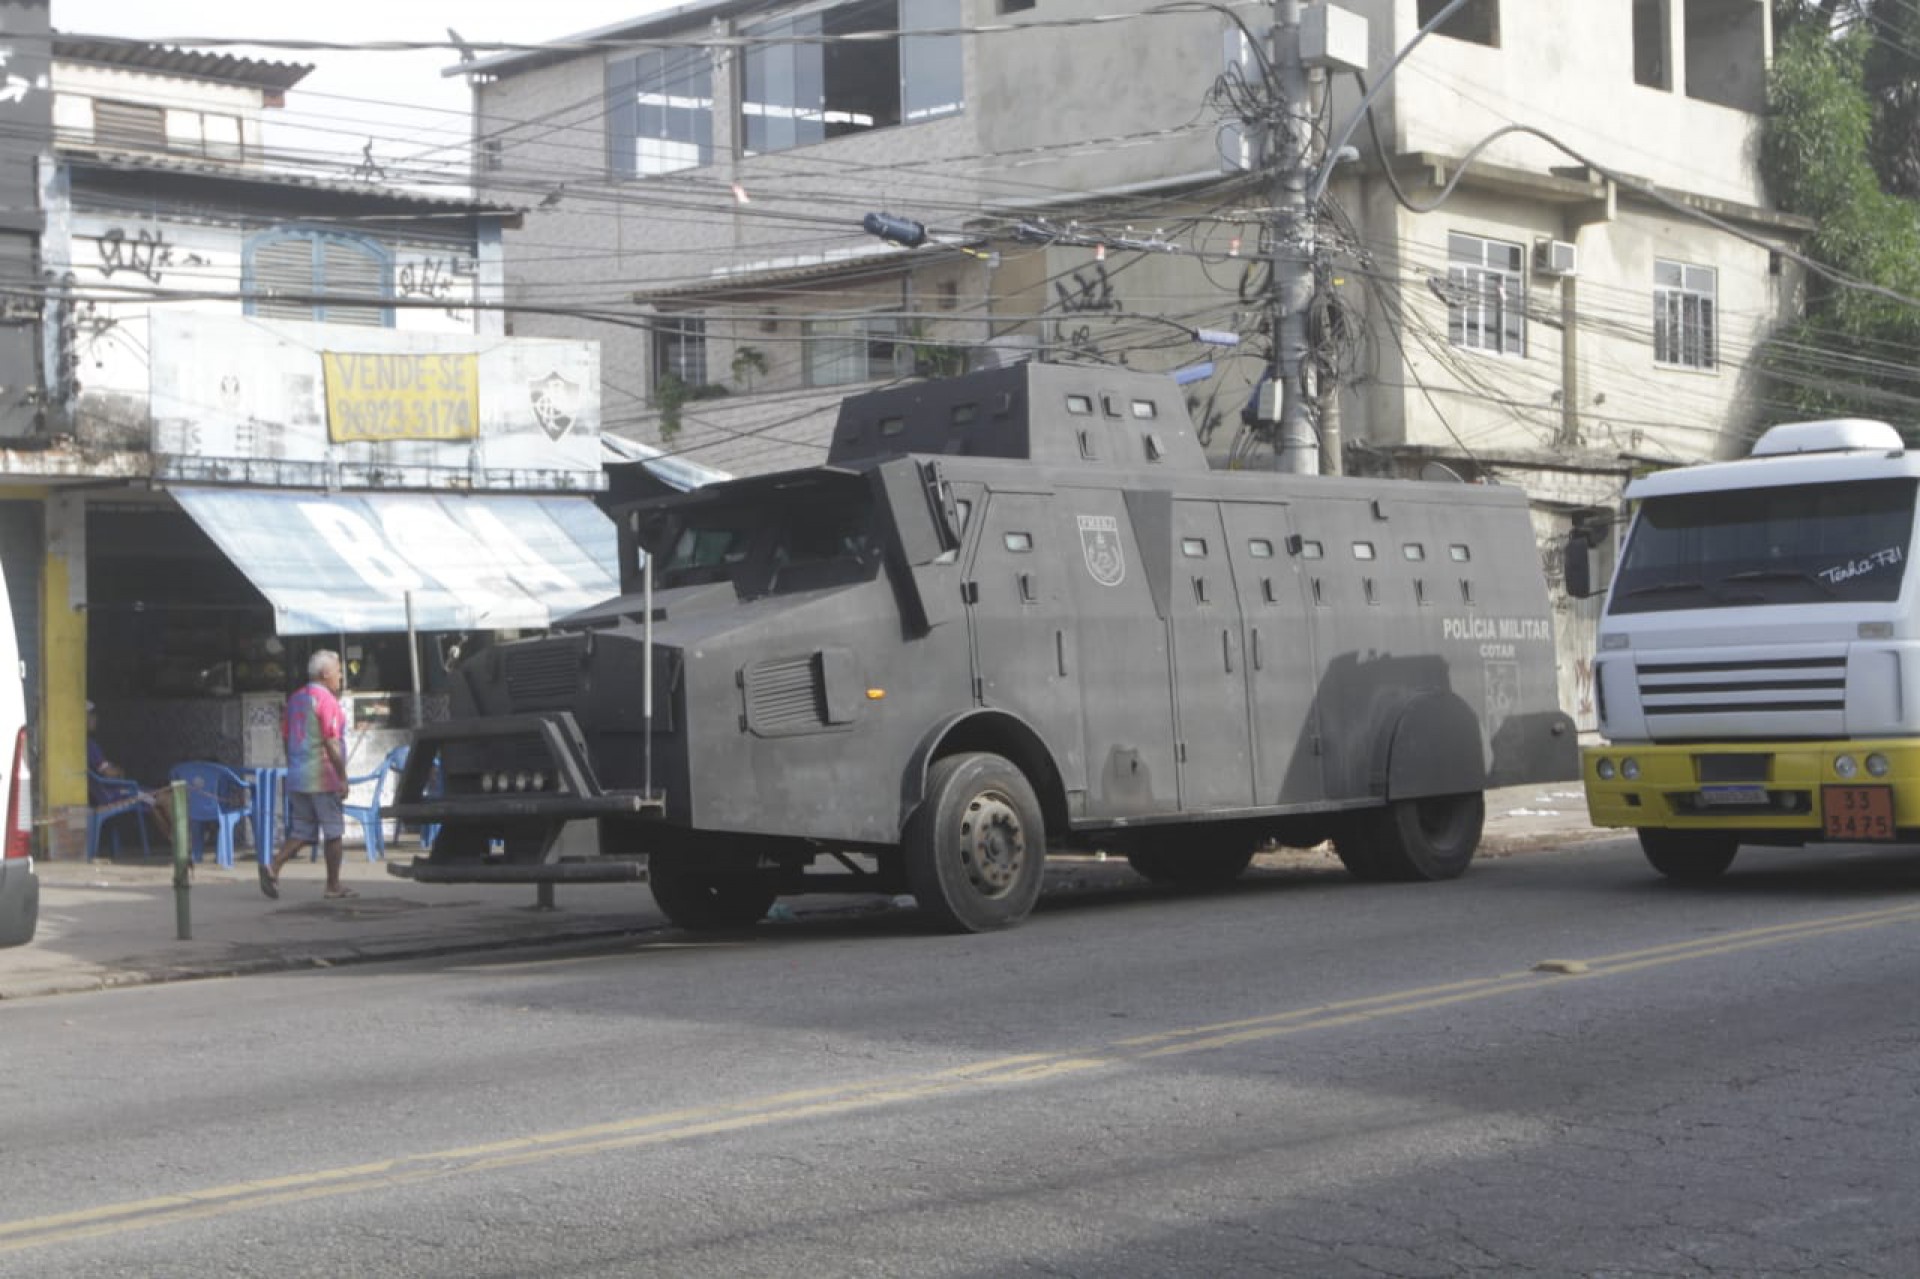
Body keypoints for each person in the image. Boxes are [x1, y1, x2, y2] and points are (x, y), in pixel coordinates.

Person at [259, 651, 354, 900]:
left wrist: (294, 764)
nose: (341, 676)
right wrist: (342, 777)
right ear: (325, 674)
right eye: (338, 670)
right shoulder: (326, 701)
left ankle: (273, 866)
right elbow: (332, 743)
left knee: (303, 830)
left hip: (298, 776)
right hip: (323, 776)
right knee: (333, 832)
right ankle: (333, 885)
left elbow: (286, 736)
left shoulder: (296, 699)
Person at [85, 701, 173, 850]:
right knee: (166, 797)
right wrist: (119, 771)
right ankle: (182, 840)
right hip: (117, 793)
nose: (95, 719)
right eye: (91, 715)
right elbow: (108, 772)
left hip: (112, 792)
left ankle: (174, 839)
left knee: (155, 804)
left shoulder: (86, 744)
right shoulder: (90, 746)